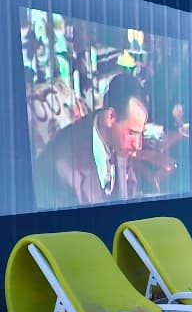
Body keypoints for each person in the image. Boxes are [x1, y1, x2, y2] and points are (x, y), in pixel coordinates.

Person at [33, 72, 148, 209]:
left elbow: (129, 194)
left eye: (140, 134)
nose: (138, 145)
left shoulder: (119, 143)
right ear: (111, 117)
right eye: (132, 133)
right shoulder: (59, 166)